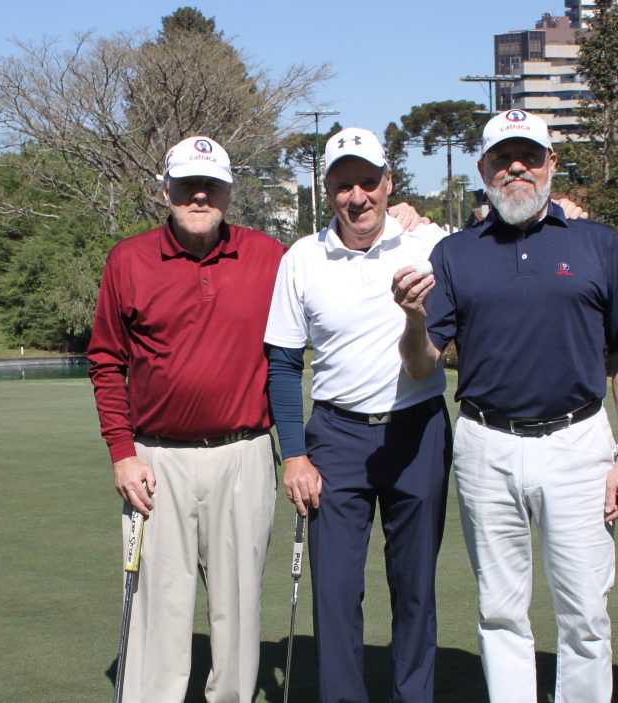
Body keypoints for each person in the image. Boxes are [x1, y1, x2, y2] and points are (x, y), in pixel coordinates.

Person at [89, 134, 427, 702]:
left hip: (244, 454)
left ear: (228, 191)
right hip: (154, 461)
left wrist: (397, 218)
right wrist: (121, 453)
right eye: (187, 185)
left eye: (212, 186)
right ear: (165, 188)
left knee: (239, 609)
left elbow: (343, 249)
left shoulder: (271, 255)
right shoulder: (129, 259)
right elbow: (105, 361)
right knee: (158, 609)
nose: (200, 196)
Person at [394, 109, 618, 703]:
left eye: (529, 156)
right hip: (487, 443)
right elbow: (421, 363)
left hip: (579, 440)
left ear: (551, 164)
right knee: (500, 612)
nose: (516, 168)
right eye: (502, 158)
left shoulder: (597, 242)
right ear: (483, 169)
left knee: (584, 613)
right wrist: (411, 318)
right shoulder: (455, 253)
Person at [264, 127, 454, 703]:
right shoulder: (302, 257)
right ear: (327, 191)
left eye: (368, 182)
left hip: (417, 431)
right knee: (337, 591)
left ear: (388, 183)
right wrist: (294, 454)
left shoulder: (430, 245)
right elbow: (282, 365)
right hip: (336, 435)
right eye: (344, 185)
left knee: (415, 586)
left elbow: (499, 232)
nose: (358, 197)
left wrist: (568, 206)